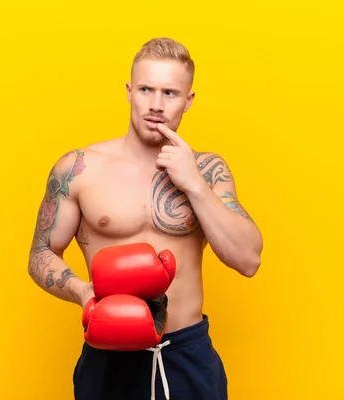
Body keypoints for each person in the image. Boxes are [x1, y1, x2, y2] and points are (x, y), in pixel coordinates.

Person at [27, 37, 264, 400]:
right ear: (129, 91)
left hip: (186, 354)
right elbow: (40, 253)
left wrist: (195, 186)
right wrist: (82, 292)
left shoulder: (207, 171)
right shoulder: (79, 169)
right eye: (146, 89)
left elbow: (248, 259)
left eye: (170, 93)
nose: (155, 105)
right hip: (109, 354)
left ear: (188, 100)